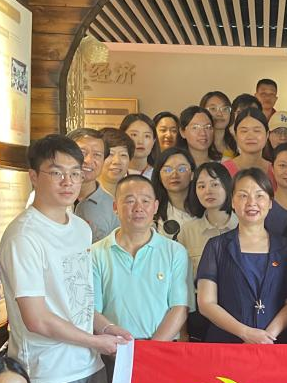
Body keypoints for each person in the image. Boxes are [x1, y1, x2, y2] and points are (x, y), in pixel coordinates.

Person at [0, 135, 119, 383]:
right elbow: (36, 318)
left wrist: (105, 327)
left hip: (90, 370)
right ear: (34, 176)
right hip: (48, 374)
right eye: (56, 173)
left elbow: (78, 299)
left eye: (75, 173)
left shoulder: (81, 228)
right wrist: (95, 341)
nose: (68, 182)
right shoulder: (24, 235)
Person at [197, 168, 287, 343]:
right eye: (243, 195)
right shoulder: (216, 247)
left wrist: (267, 336)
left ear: (270, 202)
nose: (252, 202)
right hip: (226, 344)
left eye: (259, 196)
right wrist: (245, 333)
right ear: (232, 202)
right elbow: (206, 303)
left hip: (274, 344)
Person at [91, 174, 189, 341]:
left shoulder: (175, 251)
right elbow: (92, 311)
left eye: (145, 201)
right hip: (113, 347)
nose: (138, 208)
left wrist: (151, 349)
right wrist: (122, 345)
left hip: (161, 347)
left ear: (155, 206)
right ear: (115, 207)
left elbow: (179, 307)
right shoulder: (96, 253)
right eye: (130, 201)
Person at [181, 162, 238, 340]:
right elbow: (181, 283)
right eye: (201, 186)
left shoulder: (243, 225)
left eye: (215, 184)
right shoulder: (187, 231)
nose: (208, 191)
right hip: (200, 315)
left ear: (228, 187)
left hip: (237, 312)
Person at [67, 127, 118, 243]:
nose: (89, 160)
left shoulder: (113, 207)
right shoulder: (47, 198)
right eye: (82, 153)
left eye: (97, 155)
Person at [222, 106, 275, 186]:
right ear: (236, 136)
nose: (250, 136)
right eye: (244, 131)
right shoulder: (224, 170)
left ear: (267, 135)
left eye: (256, 131)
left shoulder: (276, 171)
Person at [152, 146, 196, 233]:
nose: (174, 175)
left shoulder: (205, 207)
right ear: (159, 176)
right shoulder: (152, 210)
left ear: (192, 174)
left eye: (181, 169)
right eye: (168, 170)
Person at [119, 113, 158, 178]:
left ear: (154, 141)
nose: (140, 141)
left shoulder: (159, 175)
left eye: (147, 136)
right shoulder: (113, 173)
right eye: (134, 135)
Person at [200, 90, 235, 158]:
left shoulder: (236, 144)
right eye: (213, 109)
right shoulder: (198, 144)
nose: (219, 114)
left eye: (225, 109)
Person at [97, 128, 132, 196]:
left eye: (123, 155)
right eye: (110, 154)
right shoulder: (81, 193)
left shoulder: (135, 193)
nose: (117, 161)